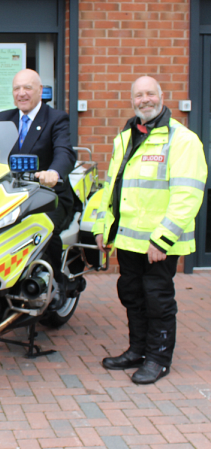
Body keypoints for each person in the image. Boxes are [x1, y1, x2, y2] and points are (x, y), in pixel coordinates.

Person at [94, 76, 207, 385]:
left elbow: (188, 194)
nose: (144, 99)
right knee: (132, 294)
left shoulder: (182, 140)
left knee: (156, 297)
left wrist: (163, 238)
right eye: (138, 95)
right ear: (133, 100)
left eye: (149, 94)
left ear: (161, 96)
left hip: (159, 243)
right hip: (129, 240)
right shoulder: (125, 137)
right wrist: (103, 228)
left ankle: (158, 358)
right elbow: (112, 190)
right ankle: (137, 350)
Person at [0, 68, 76, 311]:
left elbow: (65, 151)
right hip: (11, 196)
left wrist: (54, 172)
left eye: (27, 88)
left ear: (40, 91)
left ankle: (57, 285)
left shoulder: (55, 118)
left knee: (42, 229)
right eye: (17, 89)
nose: (21, 93)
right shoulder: (3, 118)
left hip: (49, 196)